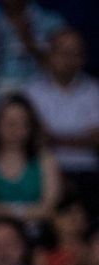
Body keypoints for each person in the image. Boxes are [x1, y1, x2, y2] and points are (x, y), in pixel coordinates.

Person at [21, 29, 99, 183]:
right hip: (41, 173)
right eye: (63, 52)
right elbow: (30, 137)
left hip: (88, 172)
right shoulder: (30, 91)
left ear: (83, 58)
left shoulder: (95, 91)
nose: (69, 59)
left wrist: (53, 139)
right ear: (49, 54)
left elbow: (97, 138)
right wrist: (82, 138)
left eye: (75, 53)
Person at [0, 95, 64, 228]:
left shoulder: (45, 159)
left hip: (39, 232)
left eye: (24, 124)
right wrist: (27, 211)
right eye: (10, 124)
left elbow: (50, 209)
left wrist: (2, 210)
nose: (16, 131)